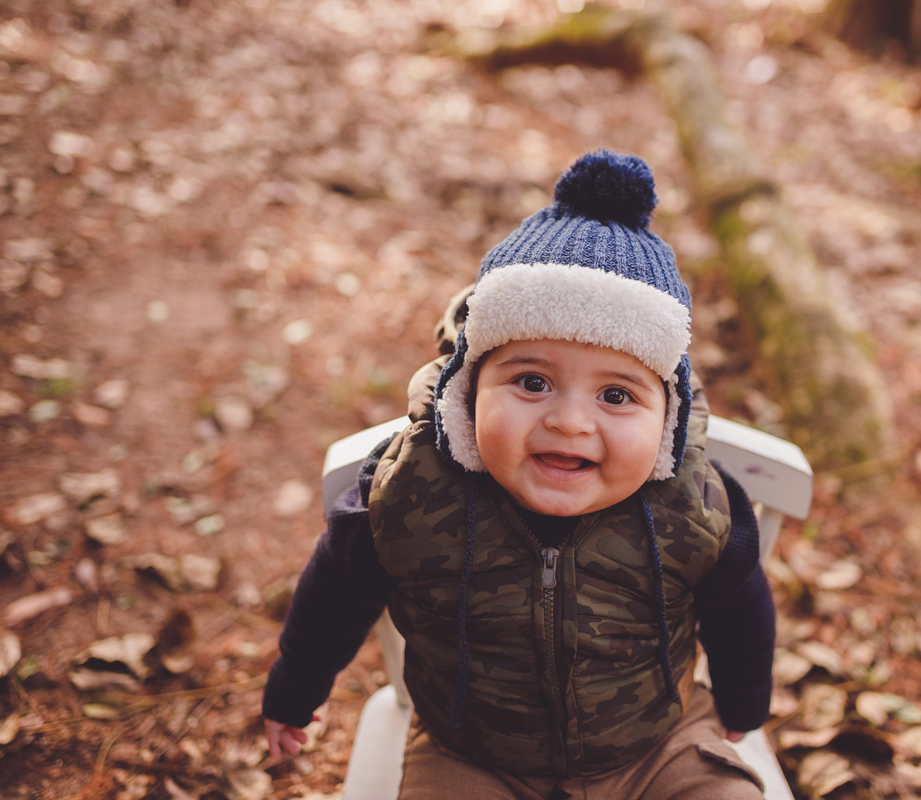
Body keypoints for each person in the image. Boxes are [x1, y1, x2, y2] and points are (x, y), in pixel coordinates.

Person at [261, 151, 776, 799]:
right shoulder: (412, 490)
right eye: (532, 382)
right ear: (469, 391)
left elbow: (740, 606)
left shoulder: (694, 503)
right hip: (470, 753)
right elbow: (335, 591)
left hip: (656, 746)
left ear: (666, 418)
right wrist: (296, 685)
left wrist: (744, 701)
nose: (569, 422)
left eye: (615, 396)